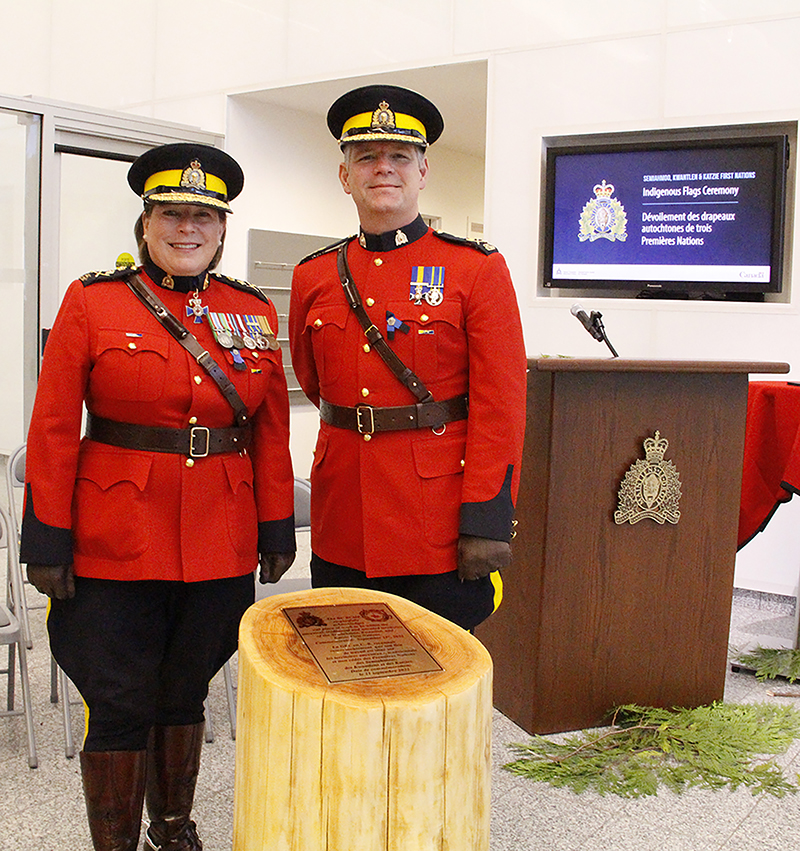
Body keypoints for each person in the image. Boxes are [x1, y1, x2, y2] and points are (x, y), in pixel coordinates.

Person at [20, 142, 295, 851]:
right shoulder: (93, 300)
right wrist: (46, 535)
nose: (187, 227)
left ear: (223, 228)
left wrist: (274, 524)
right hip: (114, 537)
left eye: (203, 215)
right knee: (117, 701)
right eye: (172, 212)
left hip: (218, 538)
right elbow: (53, 426)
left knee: (184, 692)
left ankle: (172, 831)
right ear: (145, 222)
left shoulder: (252, 312)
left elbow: (267, 429)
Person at [289, 85, 527, 631]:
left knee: (435, 684)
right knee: (347, 673)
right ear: (345, 176)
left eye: (400, 156)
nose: (384, 169)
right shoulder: (314, 275)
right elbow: (314, 381)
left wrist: (487, 519)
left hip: (436, 521)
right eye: (366, 156)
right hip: (344, 514)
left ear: (423, 172)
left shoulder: (475, 270)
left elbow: (501, 407)